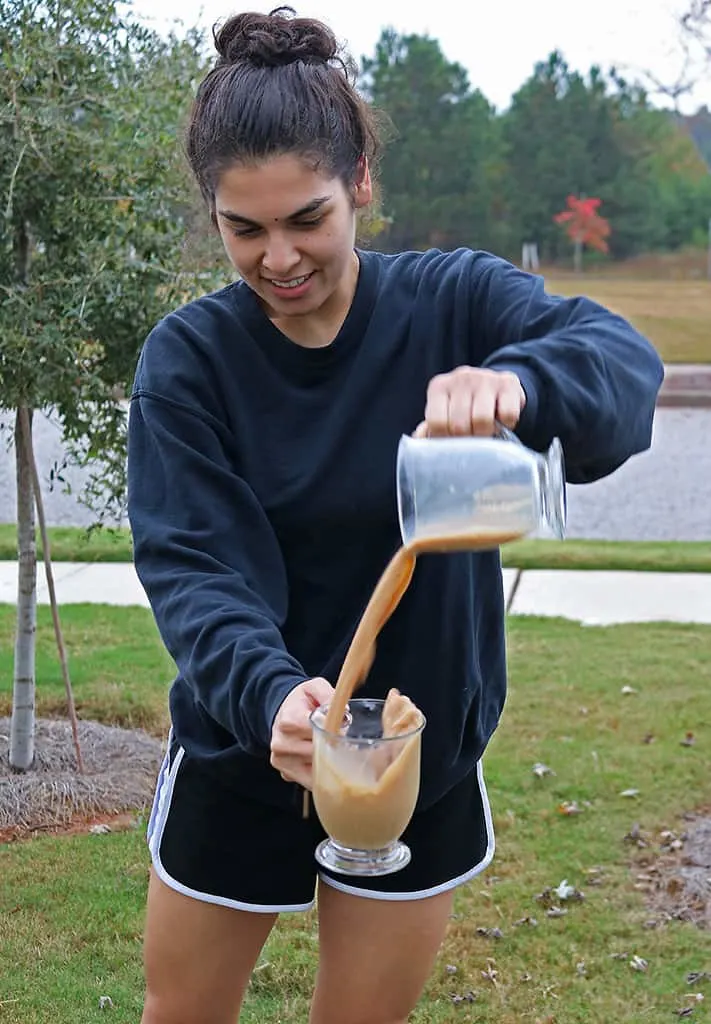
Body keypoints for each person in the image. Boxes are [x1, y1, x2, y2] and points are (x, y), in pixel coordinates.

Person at [126, 7, 664, 1023]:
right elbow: (193, 566)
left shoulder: (454, 301)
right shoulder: (189, 362)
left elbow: (620, 370)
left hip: (416, 755)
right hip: (252, 748)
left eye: (307, 218)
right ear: (214, 215)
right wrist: (271, 695)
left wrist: (520, 382)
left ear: (360, 180)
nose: (277, 257)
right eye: (245, 227)